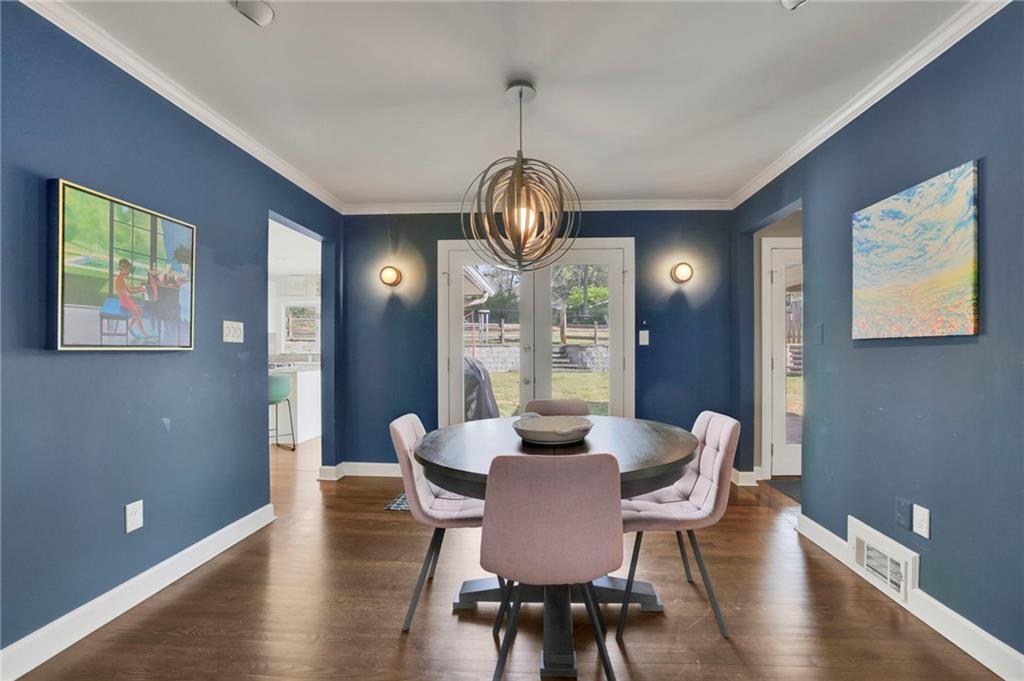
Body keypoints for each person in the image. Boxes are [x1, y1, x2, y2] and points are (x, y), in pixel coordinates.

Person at [114, 258, 151, 339]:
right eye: (128, 269)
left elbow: (129, 288)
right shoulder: (120, 280)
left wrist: (140, 287)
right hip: (124, 301)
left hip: (126, 299)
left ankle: (130, 326)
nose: (129, 271)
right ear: (123, 269)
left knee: (140, 312)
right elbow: (131, 291)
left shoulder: (122, 278)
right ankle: (145, 334)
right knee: (137, 314)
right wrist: (140, 289)